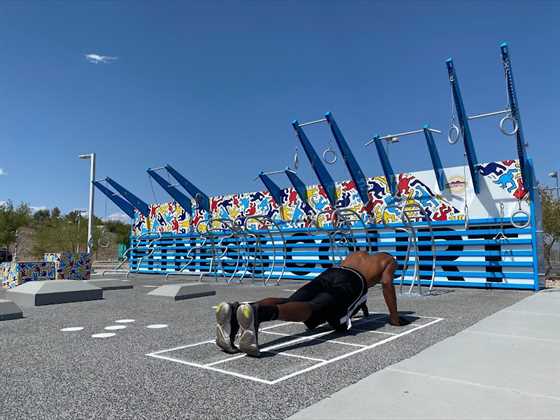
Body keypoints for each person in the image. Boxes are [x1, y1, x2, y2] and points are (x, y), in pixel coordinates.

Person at [215, 251, 404, 357]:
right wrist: (394, 318)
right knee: (315, 310)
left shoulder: (357, 255)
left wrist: (362, 309)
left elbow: (357, 299)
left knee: (292, 302)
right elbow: (387, 283)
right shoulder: (389, 260)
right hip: (352, 283)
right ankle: (259, 313)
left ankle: (235, 309)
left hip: (332, 272)